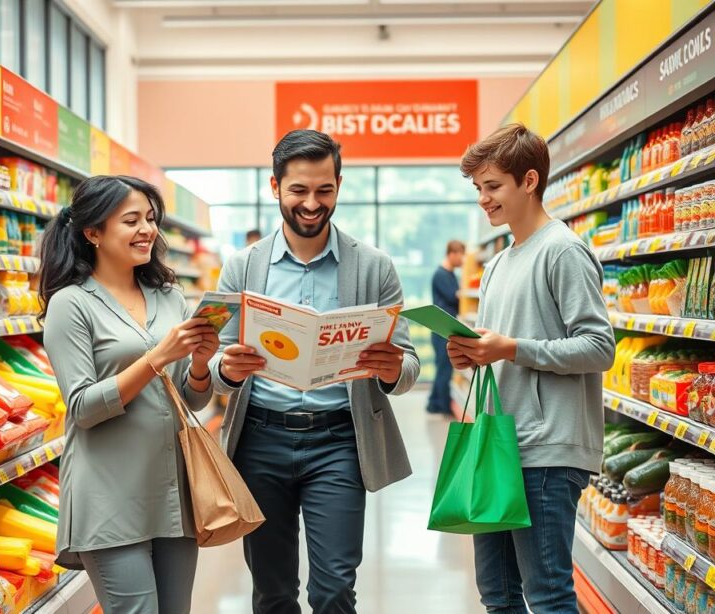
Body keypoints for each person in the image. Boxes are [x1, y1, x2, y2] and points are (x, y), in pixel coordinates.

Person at [210, 130, 419, 614]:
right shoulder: (242, 269)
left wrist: (390, 370)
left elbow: (408, 366)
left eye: (324, 190)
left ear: (339, 186)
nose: (311, 203)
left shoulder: (374, 268)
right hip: (260, 441)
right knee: (273, 590)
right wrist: (228, 367)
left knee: (334, 589)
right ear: (275, 187)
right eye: (298, 190)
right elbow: (216, 365)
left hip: (339, 445)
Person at [446, 124, 615, 614]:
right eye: (478, 188)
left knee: (548, 594)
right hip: (499, 445)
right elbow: (500, 346)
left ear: (529, 181)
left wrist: (513, 348)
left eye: (492, 185)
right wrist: (473, 352)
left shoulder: (562, 250)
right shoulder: (500, 263)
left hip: (547, 451)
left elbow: (599, 347)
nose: (483, 199)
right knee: (497, 594)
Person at [39, 176, 219, 614]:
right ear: (93, 232)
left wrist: (199, 364)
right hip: (108, 498)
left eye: (151, 219)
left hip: (173, 494)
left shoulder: (170, 296)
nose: (147, 230)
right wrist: (157, 357)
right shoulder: (71, 304)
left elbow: (189, 401)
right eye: (131, 220)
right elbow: (81, 407)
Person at [426, 240, 465, 415]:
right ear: (452, 254)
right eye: (461, 254)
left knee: (442, 366)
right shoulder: (441, 274)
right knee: (444, 367)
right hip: (442, 328)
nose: (463, 259)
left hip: (445, 327)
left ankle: (433, 403)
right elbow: (453, 296)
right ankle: (443, 407)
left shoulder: (450, 274)